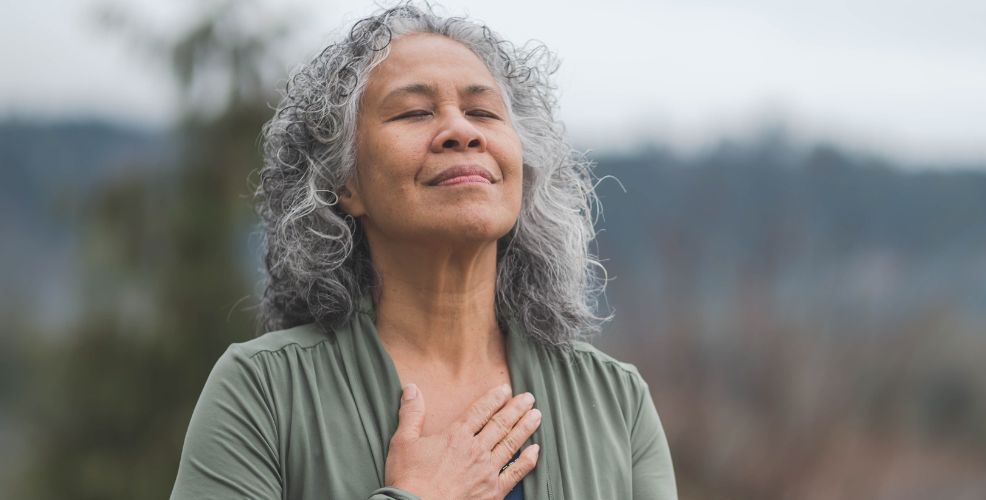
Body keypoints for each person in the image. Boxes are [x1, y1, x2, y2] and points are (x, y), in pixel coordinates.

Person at [168, 1, 678, 499]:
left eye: (483, 111)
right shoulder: (264, 392)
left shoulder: (616, 401)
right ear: (345, 184)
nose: (462, 131)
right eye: (414, 112)